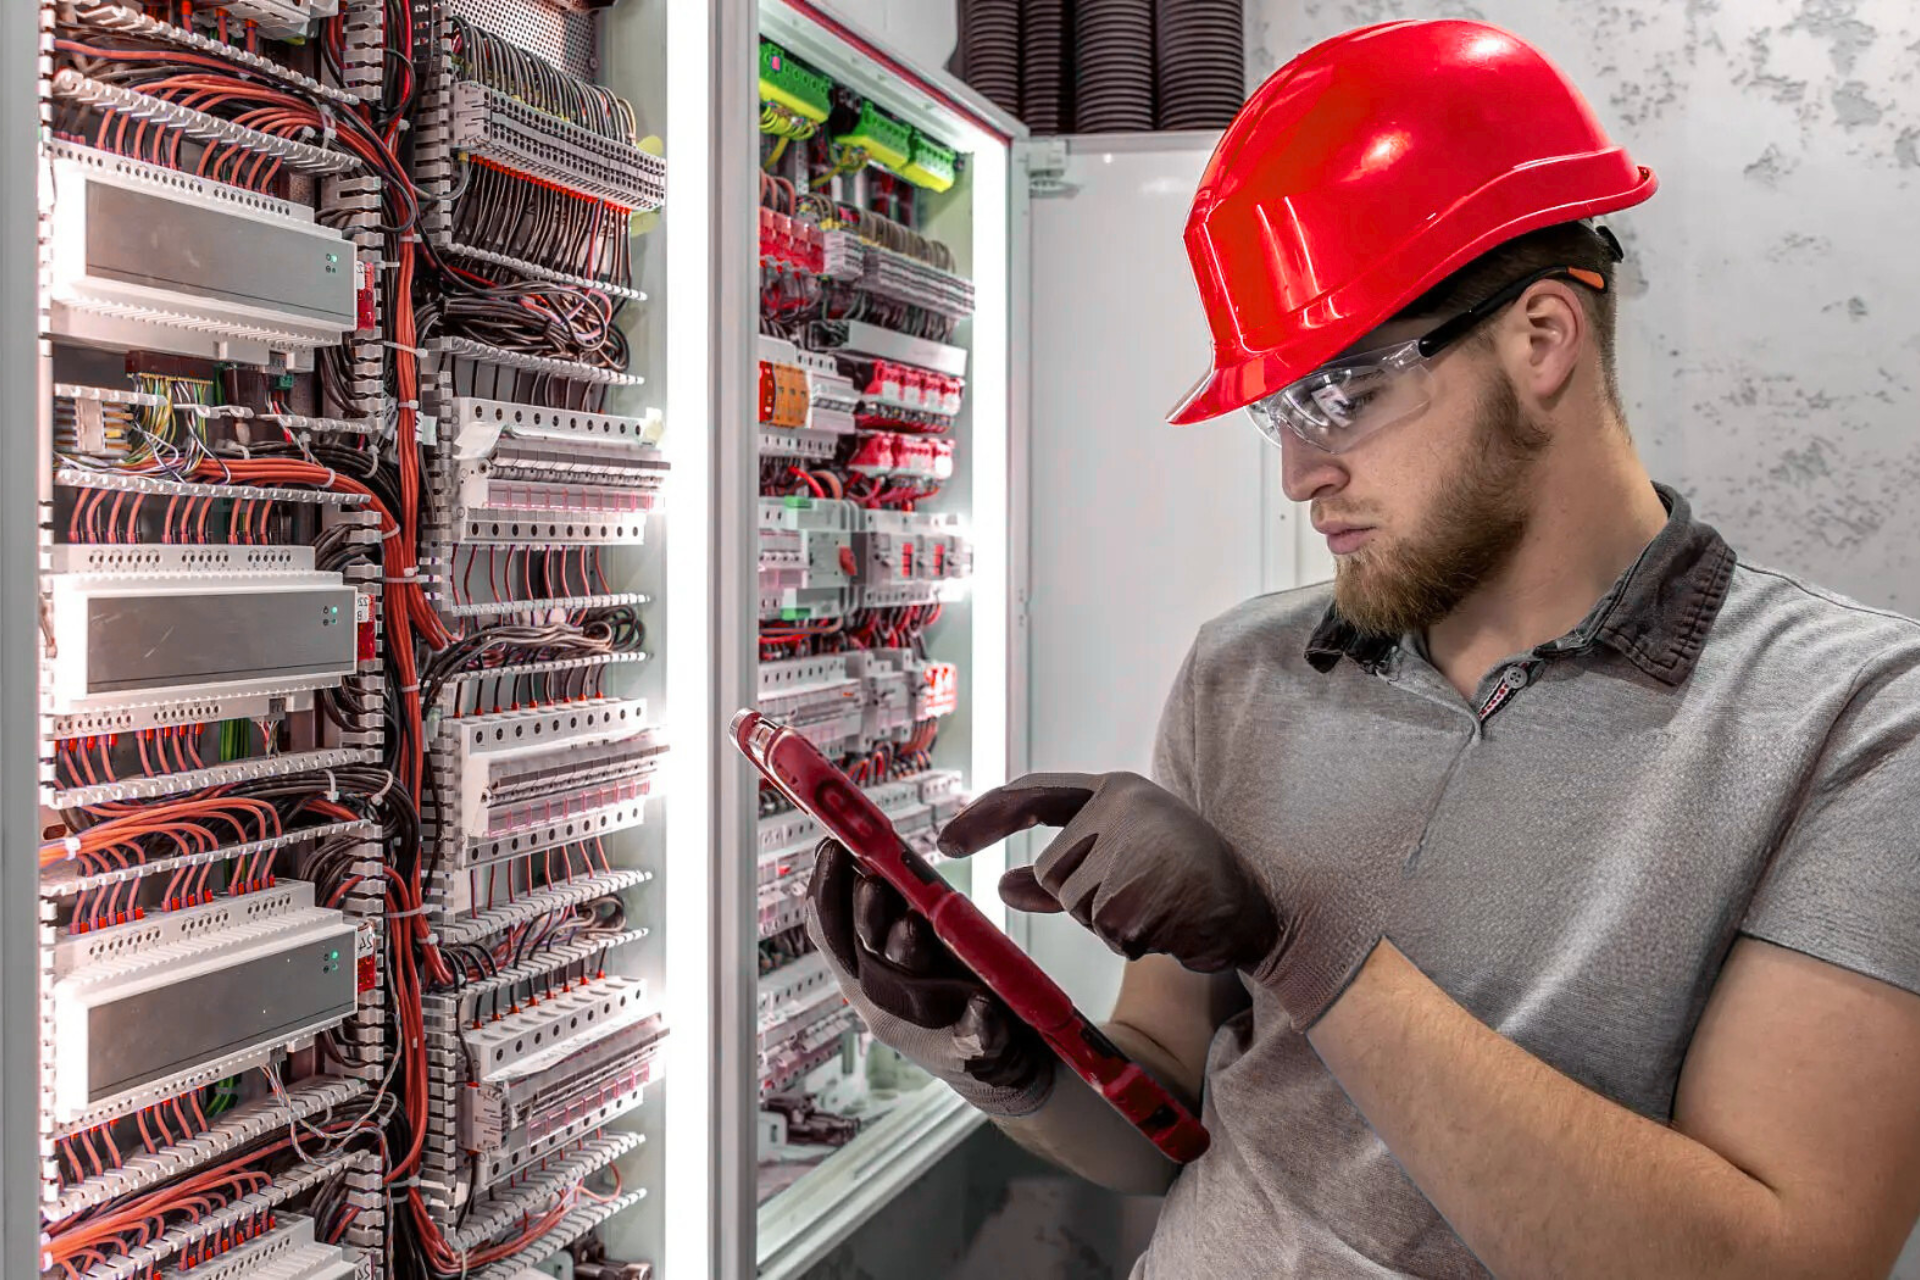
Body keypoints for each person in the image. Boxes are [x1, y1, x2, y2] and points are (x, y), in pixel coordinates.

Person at [805, 18, 1920, 1278]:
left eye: (1339, 394)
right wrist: (1002, 1050)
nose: (1297, 471)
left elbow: (1785, 1260)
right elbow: (1172, 1113)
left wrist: (1302, 942)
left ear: (1542, 338)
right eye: (1279, 411)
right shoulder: (1242, 674)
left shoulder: (1855, 721)